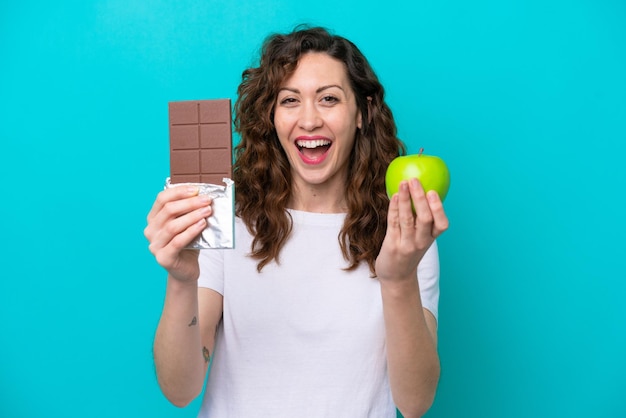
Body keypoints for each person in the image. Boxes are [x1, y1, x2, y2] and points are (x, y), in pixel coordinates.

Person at [144, 25, 449, 418]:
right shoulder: (230, 219)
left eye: (329, 99)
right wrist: (182, 279)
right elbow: (180, 390)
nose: (308, 121)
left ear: (362, 111)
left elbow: (415, 402)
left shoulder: (405, 230)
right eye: (290, 100)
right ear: (272, 116)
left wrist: (398, 278)